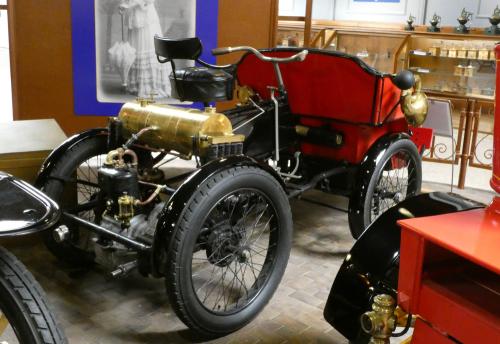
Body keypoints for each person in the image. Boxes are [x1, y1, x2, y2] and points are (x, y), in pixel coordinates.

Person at [119, 0, 171, 98]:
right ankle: (136, 85)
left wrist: (130, 5)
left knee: (148, 46)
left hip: (146, 17)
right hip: (134, 16)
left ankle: (152, 86)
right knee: (135, 49)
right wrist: (122, 5)